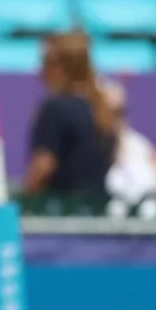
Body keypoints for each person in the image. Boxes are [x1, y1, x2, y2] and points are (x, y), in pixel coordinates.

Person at [23, 32, 118, 199]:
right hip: (97, 211)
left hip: (61, 212)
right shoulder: (100, 108)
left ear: (60, 67)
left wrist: (25, 197)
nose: (40, 70)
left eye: (45, 62)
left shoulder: (55, 108)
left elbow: (44, 163)